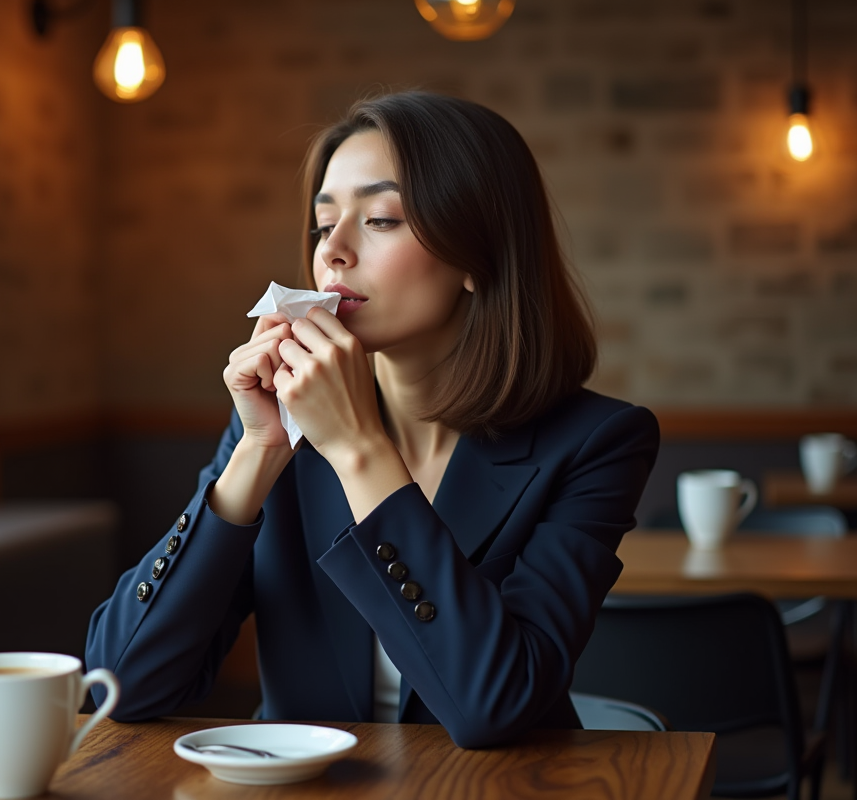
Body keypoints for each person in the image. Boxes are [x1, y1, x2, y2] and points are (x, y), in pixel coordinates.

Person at [84, 91, 659, 748]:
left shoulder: (596, 443)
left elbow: (492, 707)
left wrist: (359, 449)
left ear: (478, 253)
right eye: (322, 224)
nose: (334, 251)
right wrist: (256, 450)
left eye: (381, 219)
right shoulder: (284, 423)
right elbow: (120, 685)